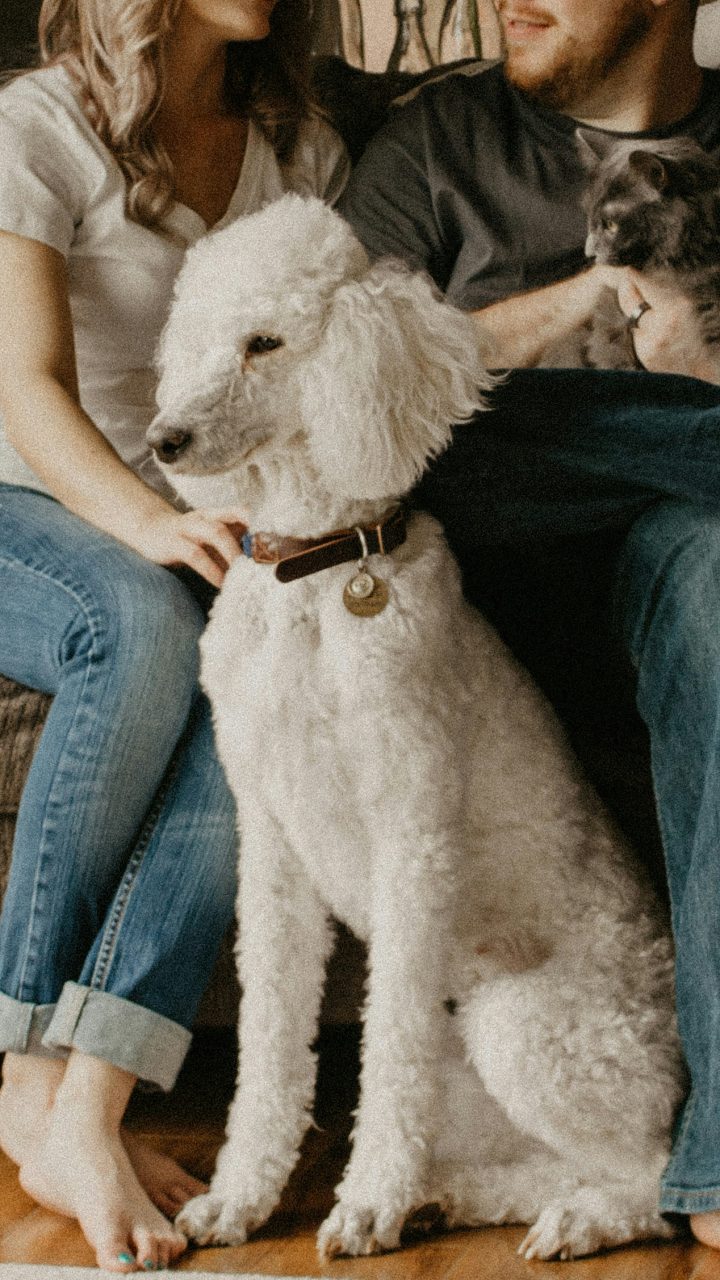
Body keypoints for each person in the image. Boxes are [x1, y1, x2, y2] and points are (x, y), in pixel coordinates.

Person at [339, 0, 720, 1253]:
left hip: (671, 562)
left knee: (715, 575)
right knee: (448, 437)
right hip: (485, 566)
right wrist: (578, 304)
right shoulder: (439, 141)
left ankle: (712, 1163)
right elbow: (359, 392)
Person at [0, 0, 347, 1271]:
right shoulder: (35, 129)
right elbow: (24, 381)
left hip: (201, 511)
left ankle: (85, 1098)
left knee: (264, 673)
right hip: (28, 497)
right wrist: (146, 519)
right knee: (145, 628)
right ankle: (24, 1076)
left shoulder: (295, 144)